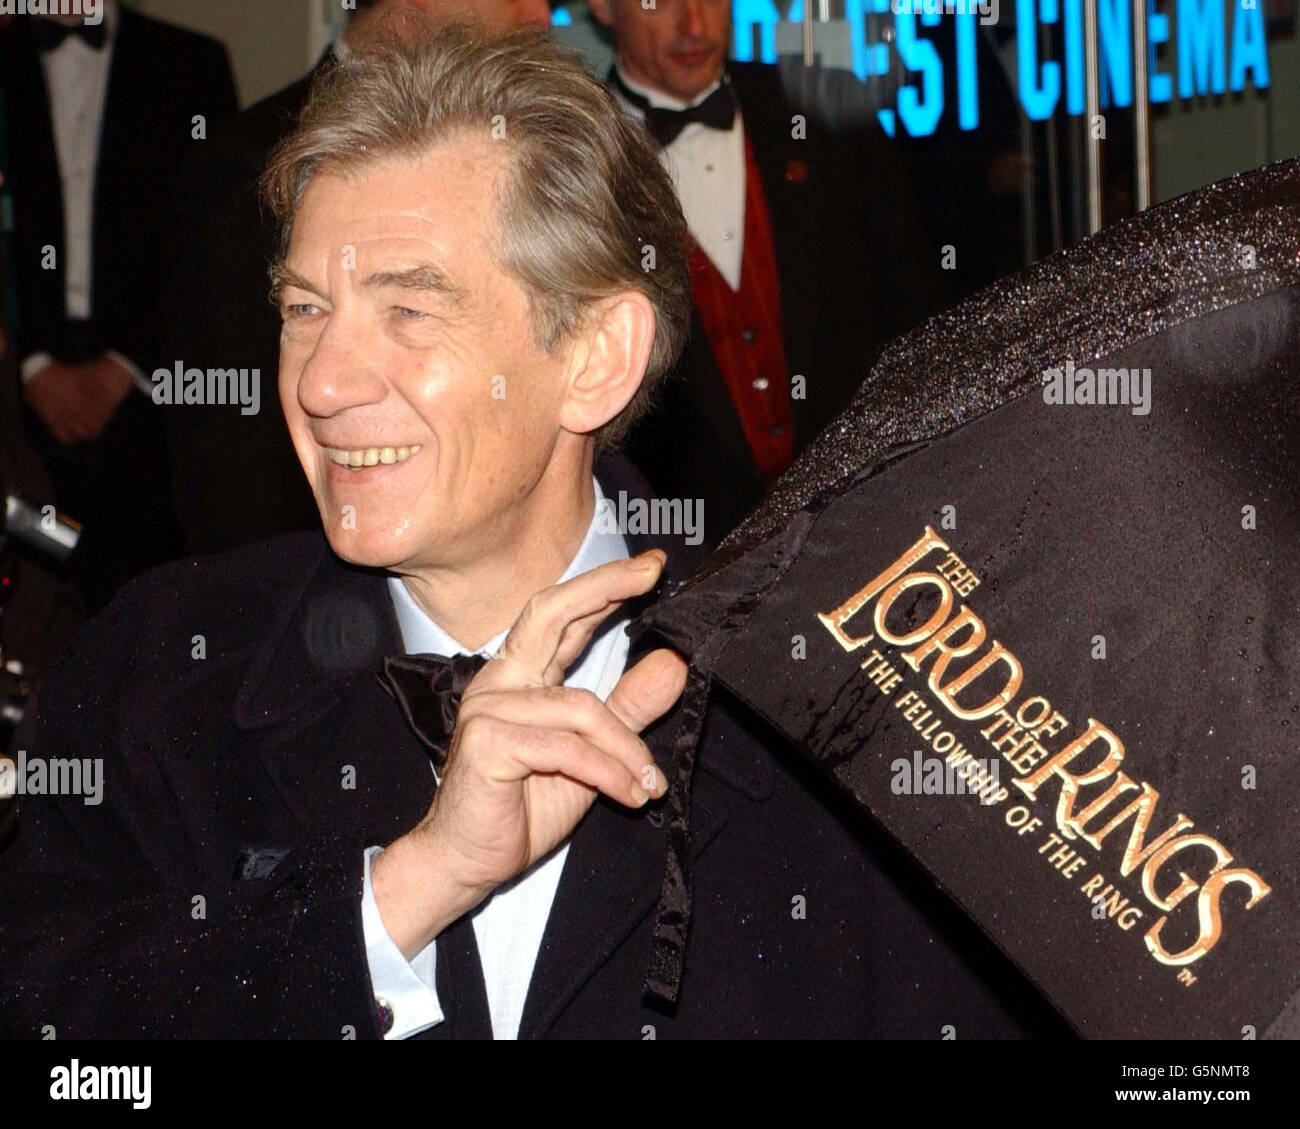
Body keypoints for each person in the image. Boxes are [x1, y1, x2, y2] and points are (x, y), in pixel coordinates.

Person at [0, 26, 1061, 1040]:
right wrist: (399, 897)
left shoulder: (832, 714)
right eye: (303, 309)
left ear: (596, 357)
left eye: (407, 311)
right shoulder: (159, 669)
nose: (320, 383)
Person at [161, 0, 551, 556]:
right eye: (303, 310)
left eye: (409, 309)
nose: (538, 14)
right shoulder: (241, 165)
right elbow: (231, 459)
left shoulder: (546, 150)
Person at [592, 0, 947, 544]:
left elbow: (916, 314)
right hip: (676, 560)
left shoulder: (822, 109)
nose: (694, 23)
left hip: (863, 526)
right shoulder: (574, 156)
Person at [0, 1, 237, 611]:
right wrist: (29, 365)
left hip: (150, 397)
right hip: (12, 387)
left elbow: (213, 240)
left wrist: (129, 364)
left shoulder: (192, 64)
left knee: (148, 608)